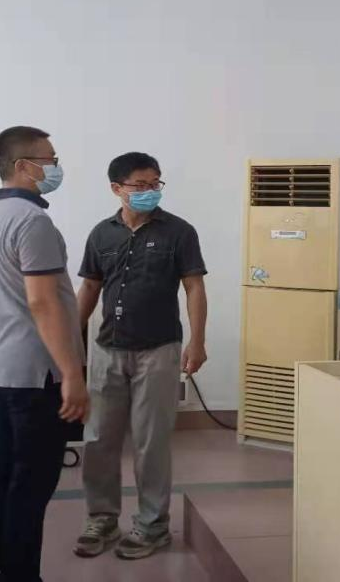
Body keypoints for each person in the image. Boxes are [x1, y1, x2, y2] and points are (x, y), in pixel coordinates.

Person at [0, 125, 88, 582]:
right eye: (50, 160)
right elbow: (43, 302)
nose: (56, 167)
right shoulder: (33, 222)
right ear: (24, 166)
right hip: (35, 376)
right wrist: (72, 373)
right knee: (30, 487)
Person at [74, 152, 208, 560]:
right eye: (141, 185)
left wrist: (197, 341)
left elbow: (194, 287)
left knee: (151, 442)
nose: (151, 191)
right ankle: (102, 518)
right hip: (107, 350)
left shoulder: (179, 232)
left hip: (159, 350)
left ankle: (152, 526)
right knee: (98, 439)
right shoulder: (101, 234)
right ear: (117, 188)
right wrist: (69, 340)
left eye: (155, 183)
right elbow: (90, 289)